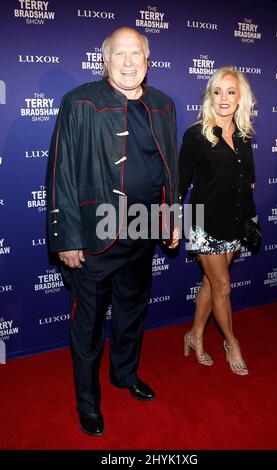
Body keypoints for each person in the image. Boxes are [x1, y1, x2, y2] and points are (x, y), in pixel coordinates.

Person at [46, 27, 179, 437]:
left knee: (131, 314)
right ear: (105, 61)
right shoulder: (79, 102)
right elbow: (60, 171)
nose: (128, 62)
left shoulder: (163, 104)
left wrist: (172, 218)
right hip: (95, 236)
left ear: (147, 59)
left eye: (135, 54)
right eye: (119, 54)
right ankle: (88, 403)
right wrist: (66, 236)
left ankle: (124, 375)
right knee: (87, 326)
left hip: (142, 232)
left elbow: (169, 168)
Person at [179, 66, 258, 376]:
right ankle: (231, 342)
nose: (224, 98)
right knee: (223, 286)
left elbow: (248, 181)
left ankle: (194, 335)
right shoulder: (197, 135)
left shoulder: (243, 136)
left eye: (231, 92)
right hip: (204, 223)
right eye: (217, 92)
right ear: (209, 97)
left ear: (240, 98)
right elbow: (180, 182)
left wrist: (250, 217)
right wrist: (171, 221)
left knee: (211, 285)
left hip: (234, 222)